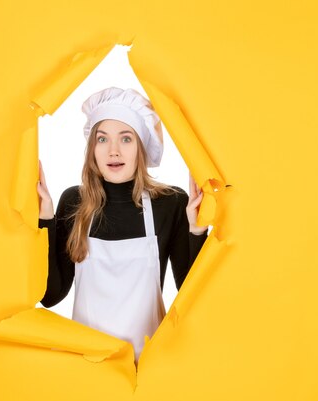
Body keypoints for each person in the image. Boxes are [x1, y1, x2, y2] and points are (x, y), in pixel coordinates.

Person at [36, 87, 208, 360]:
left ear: (141, 146)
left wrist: (197, 231)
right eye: (102, 139)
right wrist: (45, 220)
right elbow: (51, 296)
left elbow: (193, 297)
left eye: (126, 139)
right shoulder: (74, 202)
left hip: (148, 371)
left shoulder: (171, 203)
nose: (113, 151)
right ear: (92, 148)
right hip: (87, 369)